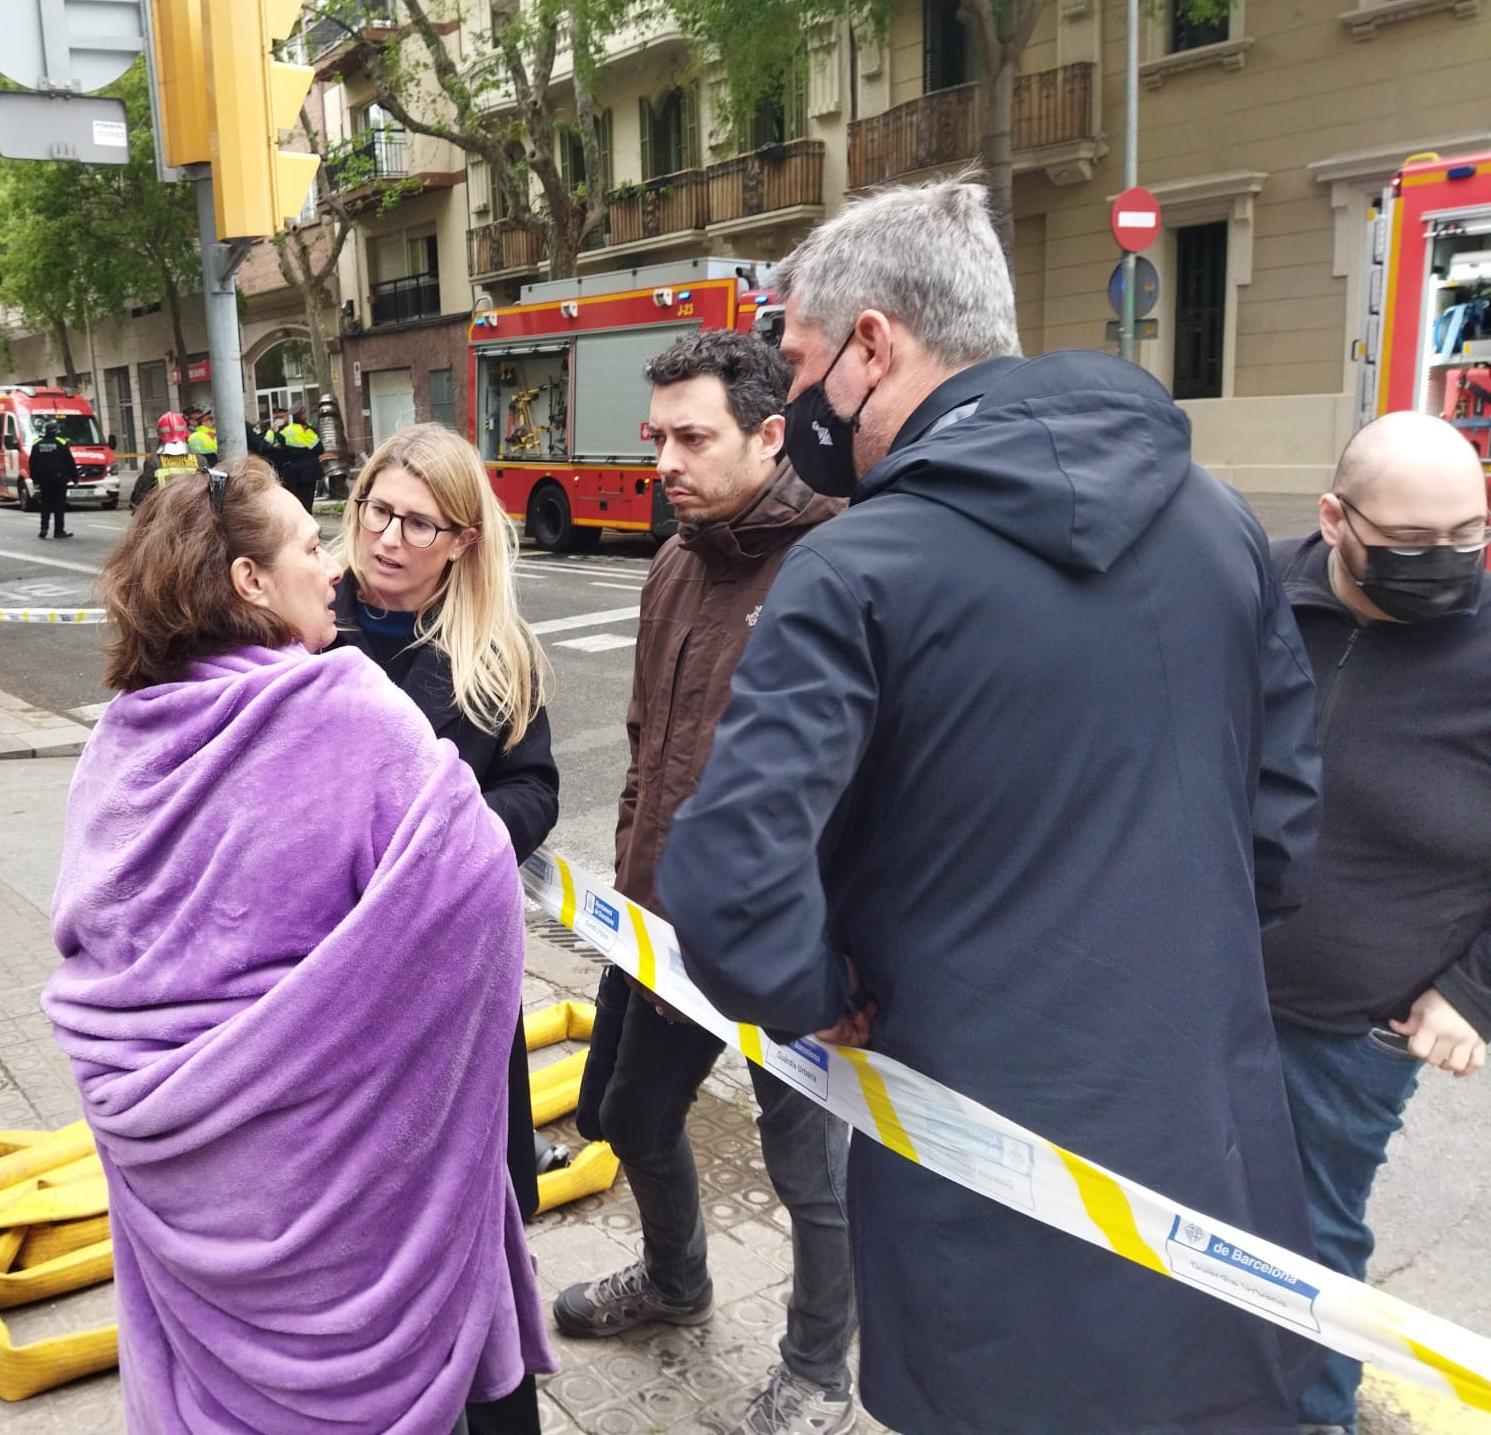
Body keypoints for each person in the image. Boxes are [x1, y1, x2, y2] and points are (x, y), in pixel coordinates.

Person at [656, 178, 1325, 1435]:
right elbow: (1281, 840)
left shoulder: (852, 567)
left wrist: (819, 992)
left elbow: (729, 889)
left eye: (792, 360)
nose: (788, 400)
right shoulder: (1222, 522)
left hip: (982, 1191)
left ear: (870, 345)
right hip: (1210, 1169)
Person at [42, 457, 553, 1434]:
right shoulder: (348, 713)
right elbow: (475, 892)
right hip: (347, 1202)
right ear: (248, 581)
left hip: (192, 1188)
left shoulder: (119, 738)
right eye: (315, 544)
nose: (335, 568)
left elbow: (86, 937)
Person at [553, 331, 858, 1435]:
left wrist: (849, 959)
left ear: (768, 436)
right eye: (657, 439)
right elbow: (645, 745)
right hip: (662, 932)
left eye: (694, 437)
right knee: (623, 1112)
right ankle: (675, 1284)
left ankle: (818, 1371)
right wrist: (629, 897)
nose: (665, 462)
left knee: (807, 1172)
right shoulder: (677, 561)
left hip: (794, 945)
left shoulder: (840, 564)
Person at [1263, 412, 1491, 1435]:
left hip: (1349, 1033)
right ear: (1331, 519)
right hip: (1194, 986)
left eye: (1467, 536)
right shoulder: (1252, 594)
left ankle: (1312, 1419)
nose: (1443, 565)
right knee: (1163, 1216)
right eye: (1408, 545)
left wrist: (1470, 991)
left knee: (1309, 1238)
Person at [331, 424, 555, 1435]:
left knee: (474, 1223)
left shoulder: (493, 653)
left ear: (461, 540)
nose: (386, 537)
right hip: (328, 996)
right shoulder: (297, 623)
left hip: (452, 991)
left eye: (417, 523)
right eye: (378, 509)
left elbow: (534, 786)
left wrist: (463, 840)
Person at [29, 416, 78, 539]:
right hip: (59, 479)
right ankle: (59, 531)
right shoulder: (61, 443)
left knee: (45, 505)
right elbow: (69, 462)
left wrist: (35, 479)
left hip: (44, 480)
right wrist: (75, 478)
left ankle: (44, 529)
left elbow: (32, 463)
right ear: (56, 431)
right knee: (59, 505)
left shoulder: (37, 443)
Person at [277, 407, 323, 515]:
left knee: (296, 502)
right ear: (301, 415)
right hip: (308, 473)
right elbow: (319, 449)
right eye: (304, 413)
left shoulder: (286, 430)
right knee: (307, 502)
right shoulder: (305, 430)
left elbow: (281, 445)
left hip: (291, 472)